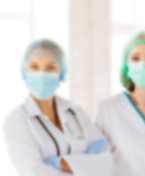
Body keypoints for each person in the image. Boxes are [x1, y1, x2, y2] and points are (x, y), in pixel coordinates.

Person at [3, 39, 113, 176]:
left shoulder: (75, 112)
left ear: (61, 73)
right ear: (24, 71)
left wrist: (57, 163)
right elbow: (33, 172)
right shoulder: (17, 120)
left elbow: (105, 160)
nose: (42, 74)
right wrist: (85, 167)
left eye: (50, 67)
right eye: (34, 67)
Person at [96, 31, 145, 176]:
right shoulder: (108, 109)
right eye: (135, 58)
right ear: (126, 66)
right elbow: (98, 164)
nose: (143, 64)